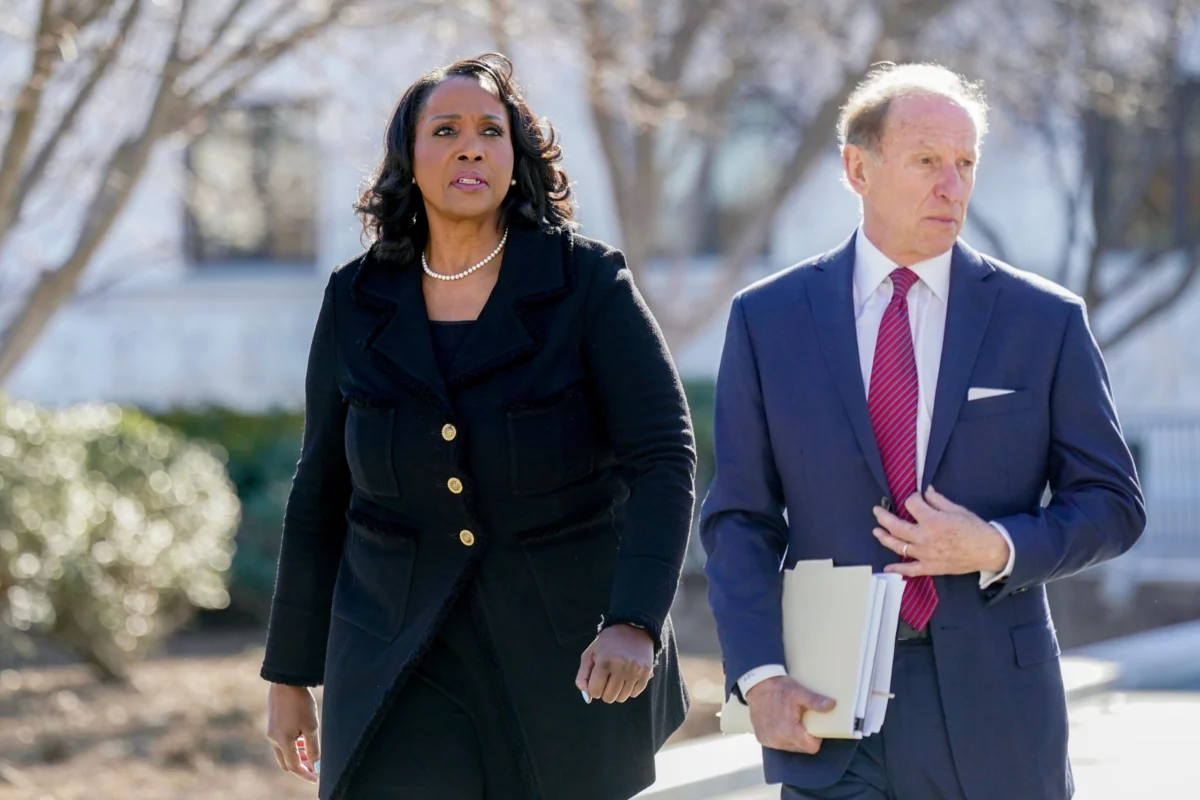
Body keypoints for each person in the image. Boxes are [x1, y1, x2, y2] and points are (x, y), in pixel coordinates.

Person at [699, 62, 1145, 800]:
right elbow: (740, 517)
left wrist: (998, 544)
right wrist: (761, 675)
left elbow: (1112, 502)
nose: (954, 185)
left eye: (966, 162)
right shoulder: (768, 318)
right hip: (830, 712)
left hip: (998, 712)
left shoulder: (1044, 320)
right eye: (928, 161)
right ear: (857, 168)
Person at [258, 53, 696, 800]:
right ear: (410, 158)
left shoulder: (585, 283)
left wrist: (635, 621)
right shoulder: (355, 298)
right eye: (447, 129)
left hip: (564, 654)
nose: (471, 146)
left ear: (516, 160)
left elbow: (664, 458)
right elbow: (321, 488)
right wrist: (290, 673)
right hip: (397, 656)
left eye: (492, 131)